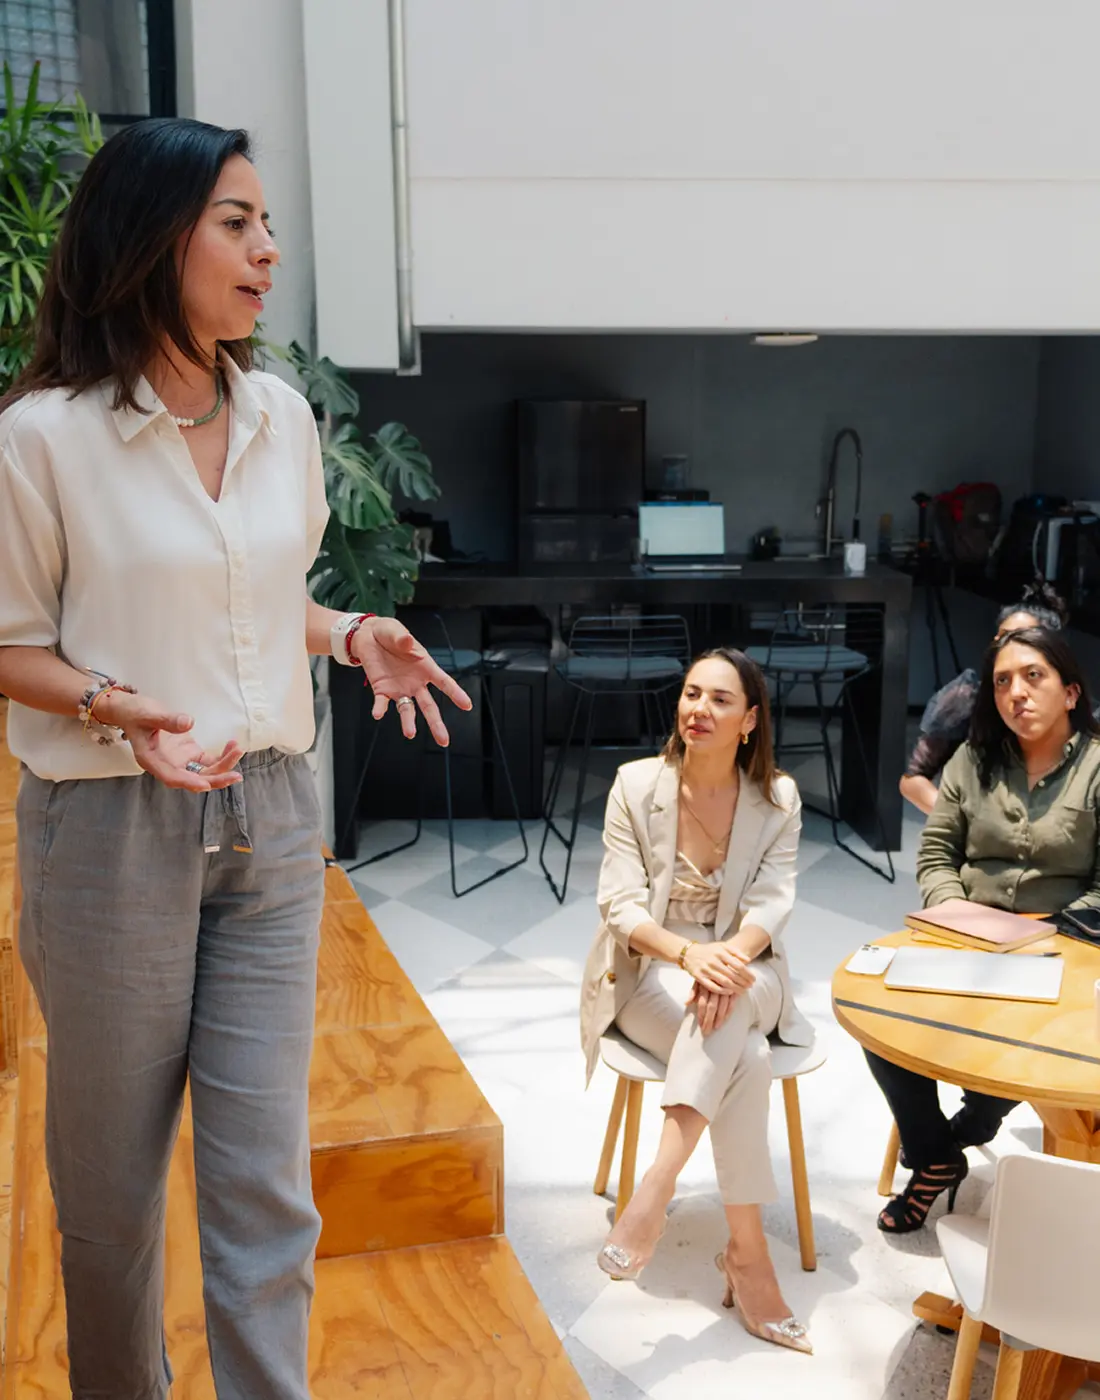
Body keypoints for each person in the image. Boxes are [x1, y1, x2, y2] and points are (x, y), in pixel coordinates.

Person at [0, 118, 471, 1399]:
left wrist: (353, 628)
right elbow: (11, 643)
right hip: (108, 827)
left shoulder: (278, 414)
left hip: (269, 817)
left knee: (265, 1182)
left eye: (266, 224)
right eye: (236, 222)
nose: (268, 250)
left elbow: (264, 601)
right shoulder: (43, 437)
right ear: (151, 237)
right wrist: (125, 708)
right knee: (108, 1195)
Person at [580, 648, 815, 1355]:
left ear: (750, 720)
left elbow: (774, 902)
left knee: (732, 1007)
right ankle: (748, 1257)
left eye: (719, 700)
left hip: (748, 969)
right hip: (653, 968)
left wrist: (724, 959)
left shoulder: (779, 798)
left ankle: (652, 1191)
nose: (698, 710)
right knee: (741, 1053)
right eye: (690, 694)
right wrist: (689, 956)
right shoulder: (636, 785)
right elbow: (618, 904)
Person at [869, 627, 1100, 1233]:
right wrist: (956, 916)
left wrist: (1045, 935)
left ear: (1071, 692)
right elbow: (937, 852)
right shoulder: (973, 760)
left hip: (1065, 946)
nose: (1016, 692)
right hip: (967, 934)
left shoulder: (1099, 766)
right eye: (1002, 681)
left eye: (1034, 677)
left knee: (1032, 1038)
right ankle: (936, 1155)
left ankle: (971, 1128)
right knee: (878, 1015)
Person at [899, 581, 1067, 818]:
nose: (1006, 647)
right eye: (1001, 638)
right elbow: (913, 779)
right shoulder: (966, 700)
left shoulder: (1074, 708)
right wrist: (959, 820)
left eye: (1022, 640)